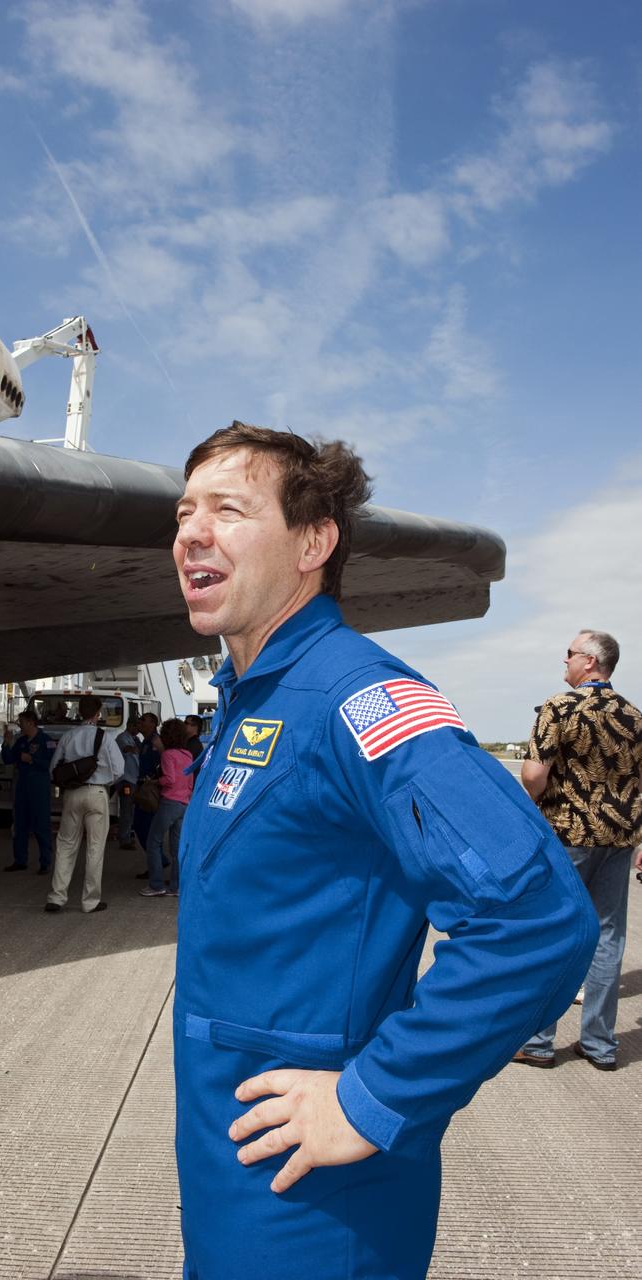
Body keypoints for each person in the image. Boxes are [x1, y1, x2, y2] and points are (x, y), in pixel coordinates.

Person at [170, 421, 598, 1280]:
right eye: (183, 512)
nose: (189, 533)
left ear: (313, 542)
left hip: (315, 1201)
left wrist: (373, 1100)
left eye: (229, 508)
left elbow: (537, 920)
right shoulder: (254, 699)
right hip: (234, 1160)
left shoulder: (360, 698)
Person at [513, 630, 642, 1072]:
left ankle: (539, 1040)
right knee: (608, 939)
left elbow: (533, 773)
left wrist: (532, 804)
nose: (563, 661)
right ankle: (600, 1044)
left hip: (567, 836)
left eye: (569, 654)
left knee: (555, 934)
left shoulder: (560, 707)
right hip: (619, 840)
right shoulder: (633, 715)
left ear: (589, 662)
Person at [45, 695, 125, 914]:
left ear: (80, 712)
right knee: (95, 848)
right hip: (97, 793)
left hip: (72, 794)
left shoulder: (69, 736)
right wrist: (105, 780)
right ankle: (90, 901)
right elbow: (119, 768)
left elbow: (54, 768)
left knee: (66, 845)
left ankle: (57, 897)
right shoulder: (105, 737)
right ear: (98, 713)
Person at [140, 718, 193, 898]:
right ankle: (176, 886)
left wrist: (154, 781)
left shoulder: (167, 755)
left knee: (153, 842)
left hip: (169, 802)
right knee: (177, 847)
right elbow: (189, 781)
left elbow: (169, 779)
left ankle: (156, 885)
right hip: (184, 803)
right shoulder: (187, 755)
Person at [1, 710, 54, 872]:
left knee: (41, 826)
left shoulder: (47, 741)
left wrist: (32, 759)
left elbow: (51, 764)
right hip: (22, 788)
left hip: (39, 789)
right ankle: (20, 860)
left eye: (21, 722)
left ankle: (45, 862)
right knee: (20, 825)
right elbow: (8, 759)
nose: (19, 725)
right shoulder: (21, 741)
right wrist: (6, 743)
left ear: (31, 722)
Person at [132, 711, 163, 872]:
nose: (140, 722)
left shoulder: (156, 742)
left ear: (153, 723)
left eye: (144, 720)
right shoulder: (145, 742)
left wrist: (154, 782)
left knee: (148, 827)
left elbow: (161, 767)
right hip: (142, 786)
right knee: (140, 825)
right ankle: (157, 862)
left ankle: (158, 864)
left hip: (150, 788)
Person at [115, 715, 141, 850]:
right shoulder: (122, 738)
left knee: (132, 810)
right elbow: (126, 749)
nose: (138, 729)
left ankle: (128, 834)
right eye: (136, 726)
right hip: (126, 779)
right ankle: (124, 839)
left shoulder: (136, 739)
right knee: (126, 810)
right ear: (130, 725)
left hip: (134, 778)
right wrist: (135, 750)